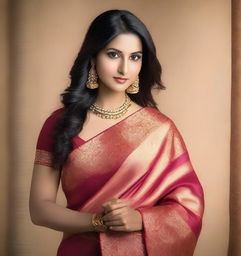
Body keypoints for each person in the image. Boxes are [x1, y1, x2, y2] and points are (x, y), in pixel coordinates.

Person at [29, 9, 204, 256]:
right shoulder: (60, 124)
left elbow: (189, 207)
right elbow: (39, 209)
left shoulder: (160, 129)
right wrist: (99, 222)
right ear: (93, 58)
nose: (124, 68)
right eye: (113, 55)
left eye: (135, 57)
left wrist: (142, 220)